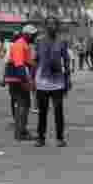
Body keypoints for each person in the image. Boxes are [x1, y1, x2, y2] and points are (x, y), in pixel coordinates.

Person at [34, 17, 70, 147]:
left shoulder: (62, 42)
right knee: (42, 112)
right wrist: (32, 80)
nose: (51, 26)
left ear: (57, 26)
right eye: (49, 24)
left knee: (58, 111)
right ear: (45, 26)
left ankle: (60, 138)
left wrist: (67, 79)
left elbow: (66, 60)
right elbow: (35, 61)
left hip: (58, 82)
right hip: (42, 82)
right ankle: (40, 138)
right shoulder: (39, 41)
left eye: (54, 24)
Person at [4, 25, 38, 141]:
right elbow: (19, 65)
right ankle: (20, 132)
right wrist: (27, 81)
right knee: (22, 105)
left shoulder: (24, 45)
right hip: (17, 79)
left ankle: (21, 131)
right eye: (33, 35)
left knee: (24, 105)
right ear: (26, 34)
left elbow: (28, 62)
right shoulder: (19, 45)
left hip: (18, 78)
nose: (35, 37)